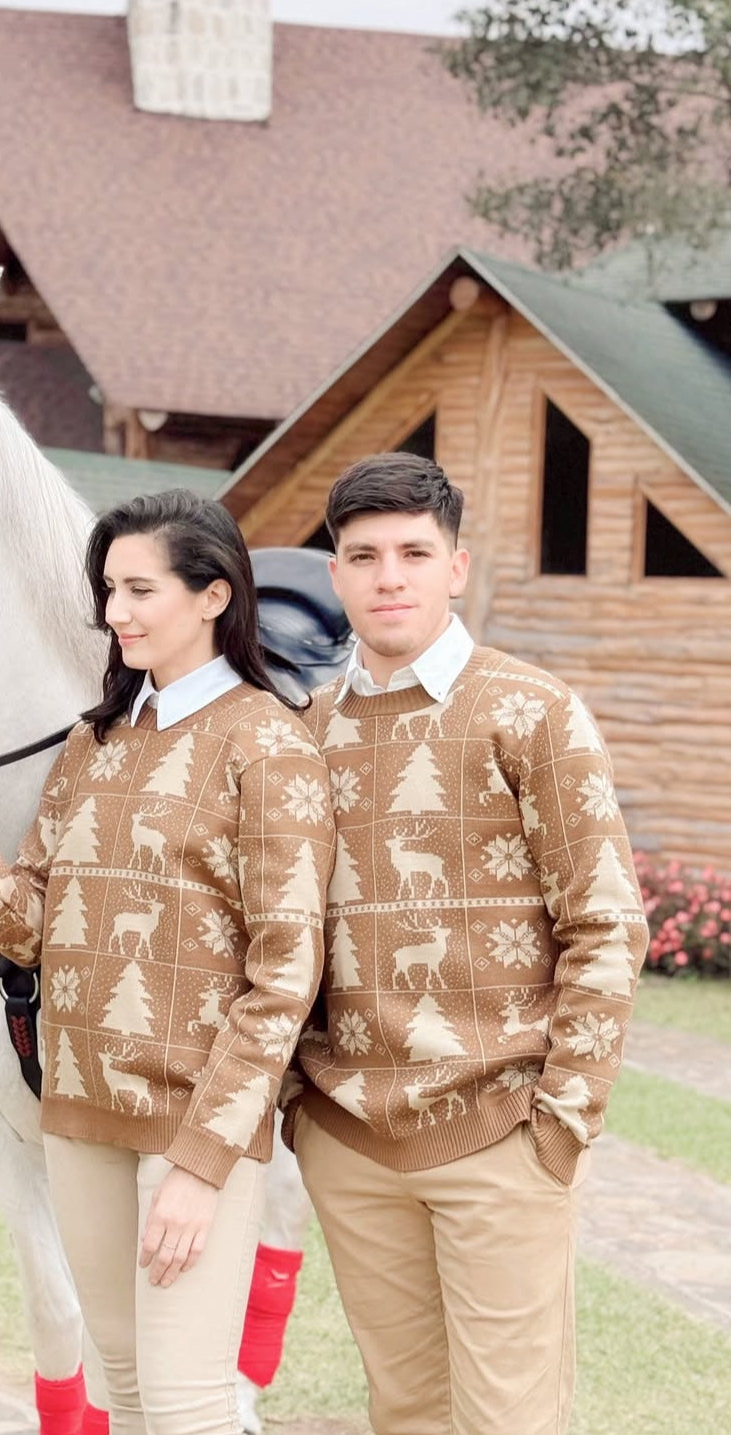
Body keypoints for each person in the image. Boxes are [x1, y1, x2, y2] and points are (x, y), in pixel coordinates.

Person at [0, 490, 335, 1435]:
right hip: (79, 1120)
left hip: (189, 1133)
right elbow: (35, 928)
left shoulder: (270, 744)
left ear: (214, 595)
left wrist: (204, 1164)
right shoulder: (95, 742)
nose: (115, 611)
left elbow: (284, 977)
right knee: (124, 1397)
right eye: (107, 589)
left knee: (185, 1407)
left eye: (139, 588)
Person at [287, 453, 648, 1435]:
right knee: (405, 1413)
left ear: (458, 566)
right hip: (351, 1142)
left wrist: (563, 1118)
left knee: (510, 1420)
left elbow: (607, 922)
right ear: (336, 574)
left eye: (414, 551)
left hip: (501, 1132)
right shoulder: (305, 733)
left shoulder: (530, 711)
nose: (388, 575)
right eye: (363, 555)